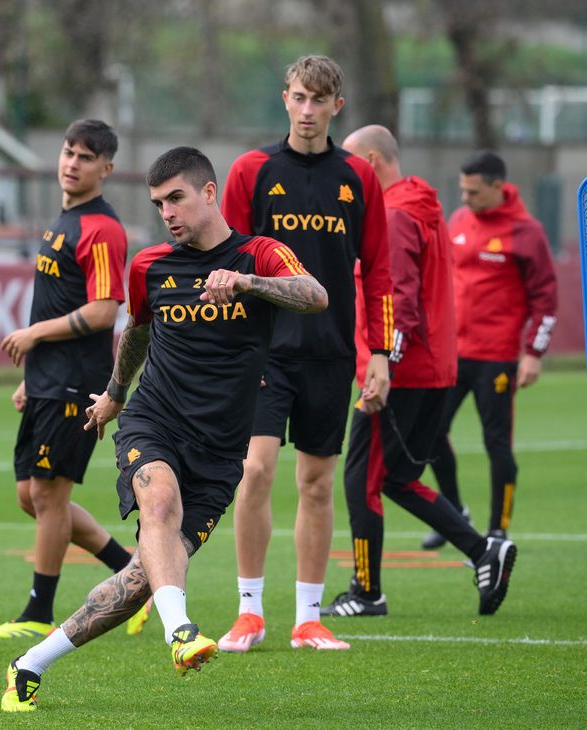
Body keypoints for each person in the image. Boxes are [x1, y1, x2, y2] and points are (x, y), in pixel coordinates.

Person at [1, 146, 328, 712]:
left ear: (208, 192)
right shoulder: (150, 264)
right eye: (158, 204)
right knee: (159, 501)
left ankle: (29, 664)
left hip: (222, 449)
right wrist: (115, 395)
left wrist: (249, 285)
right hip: (154, 421)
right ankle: (180, 633)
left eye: (176, 198)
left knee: (137, 583)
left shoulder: (260, 254)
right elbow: (137, 334)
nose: (167, 213)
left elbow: (315, 295)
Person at [216, 55, 393, 652]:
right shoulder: (253, 170)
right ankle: (248, 612)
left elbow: (381, 273)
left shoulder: (359, 178)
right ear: (284, 100)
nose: (308, 110)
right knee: (255, 470)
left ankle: (308, 618)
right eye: (298, 97)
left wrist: (381, 354)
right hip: (263, 353)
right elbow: (229, 261)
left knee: (317, 484)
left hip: (331, 353)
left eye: (320, 100)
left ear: (337, 106)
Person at [321, 125, 517, 618]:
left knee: (361, 477)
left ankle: (367, 592)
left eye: (349, 165)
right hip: (435, 367)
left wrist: (381, 367)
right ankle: (482, 549)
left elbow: (399, 298)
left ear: (369, 159)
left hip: (399, 372)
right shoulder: (419, 205)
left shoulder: (392, 213)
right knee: (399, 478)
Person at [0, 119, 133, 640]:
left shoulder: (102, 228)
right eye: (68, 153)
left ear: (106, 169)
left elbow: (105, 310)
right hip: (52, 379)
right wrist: (36, 375)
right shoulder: (64, 221)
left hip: (77, 382)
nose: (72, 163)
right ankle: (136, 573)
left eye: (86, 157)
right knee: (33, 496)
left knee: (48, 496)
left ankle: (37, 614)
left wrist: (33, 335)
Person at [419, 150, 558, 550]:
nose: (465, 199)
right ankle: (455, 513)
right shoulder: (459, 221)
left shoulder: (526, 232)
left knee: (496, 443)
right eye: (462, 191)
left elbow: (546, 300)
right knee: (428, 434)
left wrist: (533, 352)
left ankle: (498, 531)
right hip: (451, 353)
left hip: (496, 358)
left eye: (473, 192)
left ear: (498, 187)